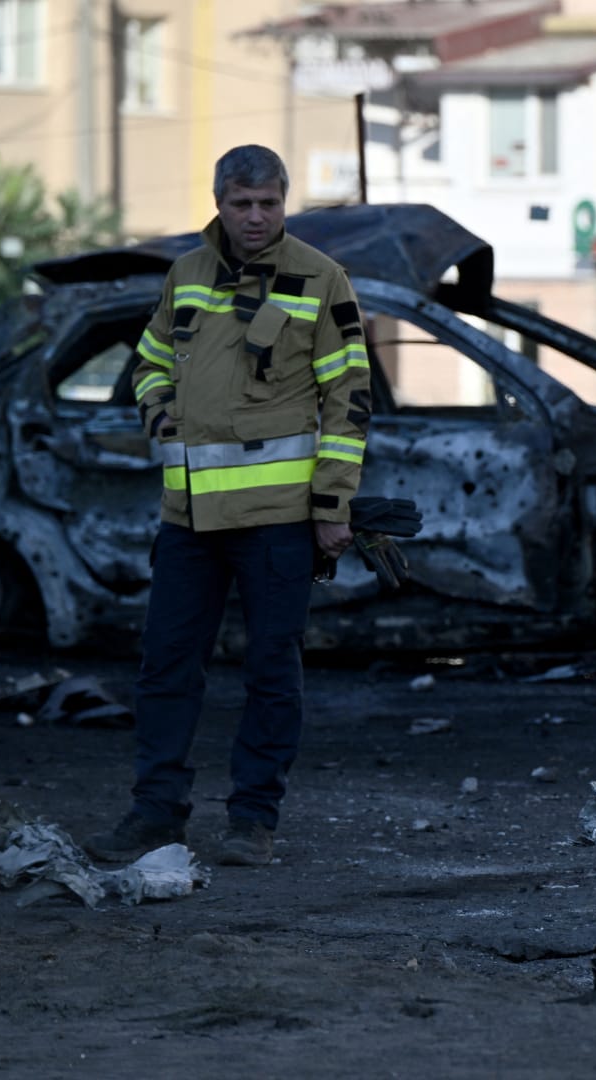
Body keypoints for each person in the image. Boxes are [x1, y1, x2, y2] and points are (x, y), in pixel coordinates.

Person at [85, 145, 370, 868]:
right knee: (165, 669)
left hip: (277, 521)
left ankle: (253, 822)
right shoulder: (186, 273)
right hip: (187, 522)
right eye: (241, 203)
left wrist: (333, 507)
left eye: (268, 203)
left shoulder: (319, 278)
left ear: (284, 202)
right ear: (219, 202)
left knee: (272, 672)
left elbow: (349, 402)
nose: (254, 217)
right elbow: (148, 363)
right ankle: (156, 815)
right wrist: (156, 415)